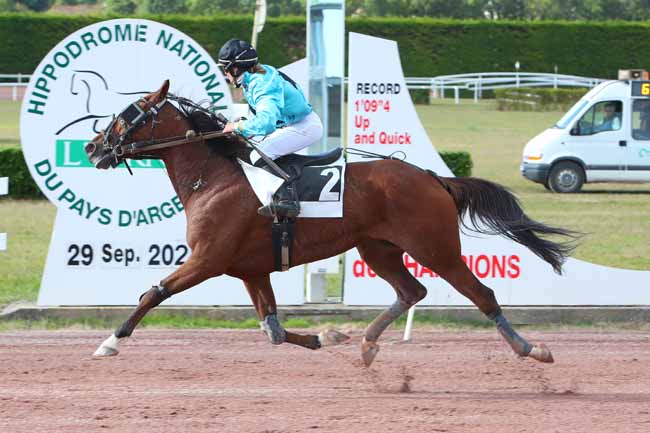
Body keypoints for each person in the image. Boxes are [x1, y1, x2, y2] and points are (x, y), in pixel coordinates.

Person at [218, 39, 323, 218]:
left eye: (225, 69)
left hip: (304, 126)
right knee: (250, 150)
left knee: (259, 155)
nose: (225, 74)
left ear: (235, 68)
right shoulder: (254, 78)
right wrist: (242, 125)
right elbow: (264, 118)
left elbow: (266, 123)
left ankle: (287, 201)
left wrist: (238, 126)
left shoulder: (261, 82)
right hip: (290, 125)